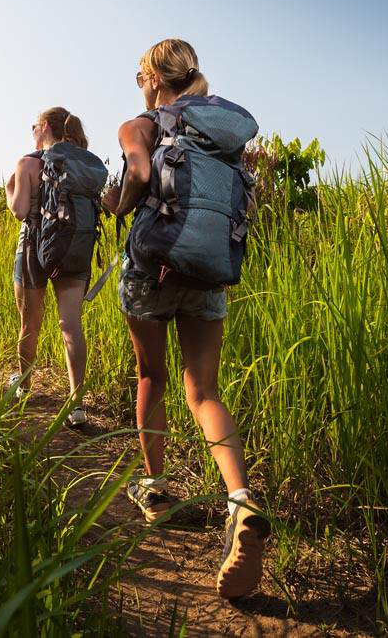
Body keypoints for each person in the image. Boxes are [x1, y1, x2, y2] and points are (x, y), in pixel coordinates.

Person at [101, 39, 270, 598]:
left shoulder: (142, 124)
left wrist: (115, 203)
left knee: (152, 377)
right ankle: (241, 501)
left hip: (152, 269)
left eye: (139, 74)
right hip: (208, 271)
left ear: (153, 76)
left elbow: (140, 176)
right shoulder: (220, 131)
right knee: (205, 393)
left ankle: (155, 492)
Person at [5, 107, 103, 428]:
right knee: (70, 326)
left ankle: (24, 386)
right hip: (72, 246)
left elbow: (20, 211)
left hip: (34, 246)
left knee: (30, 322)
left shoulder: (28, 162)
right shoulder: (79, 163)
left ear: (44, 127)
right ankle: (77, 406)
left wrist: (9, 191)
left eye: (34, 125)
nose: (32, 130)